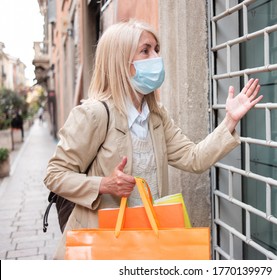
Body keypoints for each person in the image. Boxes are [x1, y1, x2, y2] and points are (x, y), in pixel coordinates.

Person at [43, 18, 263, 259]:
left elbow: (194, 158)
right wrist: (104, 184)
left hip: (148, 239)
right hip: (105, 241)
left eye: (156, 49)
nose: (156, 57)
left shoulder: (156, 116)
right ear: (122, 63)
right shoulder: (93, 114)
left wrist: (229, 120)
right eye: (145, 51)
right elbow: (55, 174)